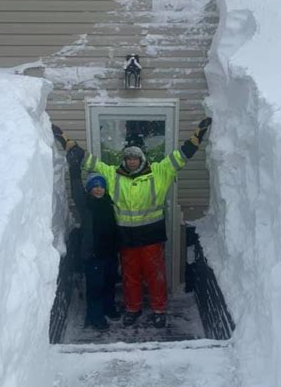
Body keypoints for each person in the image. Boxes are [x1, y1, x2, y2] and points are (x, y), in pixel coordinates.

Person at [52, 117, 212, 328]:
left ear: (142, 158)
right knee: (130, 276)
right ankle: (133, 308)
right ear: (124, 160)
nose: (132, 161)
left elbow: (181, 156)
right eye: (128, 158)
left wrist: (197, 136)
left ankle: (159, 310)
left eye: (135, 158)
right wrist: (67, 142)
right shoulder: (113, 175)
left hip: (152, 237)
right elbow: (90, 161)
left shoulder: (159, 171)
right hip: (126, 238)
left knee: (155, 276)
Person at [53, 125, 120, 330]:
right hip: (93, 254)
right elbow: (76, 189)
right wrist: (74, 168)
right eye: (94, 186)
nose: (98, 189)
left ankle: (108, 308)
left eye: (101, 186)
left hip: (110, 252)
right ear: (90, 189)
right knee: (95, 287)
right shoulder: (86, 204)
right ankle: (95, 316)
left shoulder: (110, 202)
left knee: (110, 283)